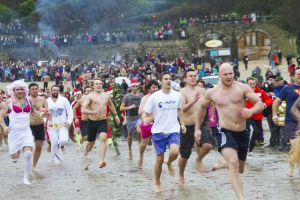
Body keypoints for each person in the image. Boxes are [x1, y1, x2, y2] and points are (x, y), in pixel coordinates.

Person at [194, 63, 264, 200]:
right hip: (224, 130)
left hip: (242, 131)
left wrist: (251, 111)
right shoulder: (212, 92)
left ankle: (223, 162)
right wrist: (197, 128)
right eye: (225, 74)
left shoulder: (242, 88)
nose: (228, 76)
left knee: (241, 169)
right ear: (219, 75)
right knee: (233, 162)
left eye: (230, 73)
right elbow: (201, 107)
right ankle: (240, 197)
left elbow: (259, 103)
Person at [143, 72, 186, 193]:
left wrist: (182, 124)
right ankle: (157, 182)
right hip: (158, 131)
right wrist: (145, 120)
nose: (168, 80)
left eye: (170, 78)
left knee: (175, 151)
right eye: (165, 79)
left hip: (173, 129)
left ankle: (170, 163)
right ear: (161, 81)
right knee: (159, 159)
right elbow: (145, 112)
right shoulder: (154, 97)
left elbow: (180, 111)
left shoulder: (177, 95)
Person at [178, 69, 212, 187]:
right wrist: (192, 101)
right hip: (187, 126)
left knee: (208, 146)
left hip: (201, 124)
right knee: (184, 156)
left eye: (194, 76)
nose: (193, 78)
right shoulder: (182, 92)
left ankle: (199, 159)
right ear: (185, 79)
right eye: (190, 76)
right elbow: (182, 109)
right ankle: (181, 174)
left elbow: (207, 105)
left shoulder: (202, 90)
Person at [0, 80, 35, 185]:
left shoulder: (28, 101)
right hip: (14, 133)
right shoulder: (8, 103)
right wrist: (4, 126)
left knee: (28, 153)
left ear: (24, 90)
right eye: (17, 89)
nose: (20, 91)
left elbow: (34, 112)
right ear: (13, 91)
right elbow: (1, 116)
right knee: (14, 158)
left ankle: (26, 178)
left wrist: (44, 113)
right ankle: (17, 151)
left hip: (26, 131)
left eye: (21, 89)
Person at [81, 78, 120, 168]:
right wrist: (93, 112)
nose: (99, 85)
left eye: (100, 84)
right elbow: (83, 109)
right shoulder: (90, 96)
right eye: (96, 84)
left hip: (102, 121)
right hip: (91, 122)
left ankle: (101, 161)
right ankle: (86, 153)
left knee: (103, 138)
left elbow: (111, 105)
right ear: (93, 86)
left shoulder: (106, 95)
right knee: (91, 143)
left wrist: (116, 115)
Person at [272, 68, 300, 147]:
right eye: (298, 74)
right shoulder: (287, 89)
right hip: (291, 121)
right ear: (293, 77)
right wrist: (274, 115)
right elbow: (276, 102)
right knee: (295, 145)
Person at [47, 85, 73, 165]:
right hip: (51, 126)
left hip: (63, 125)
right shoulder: (47, 101)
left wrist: (69, 122)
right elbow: (44, 113)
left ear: (59, 91)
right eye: (54, 90)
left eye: (57, 90)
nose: (55, 92)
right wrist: (45, 122)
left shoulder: (64, 100)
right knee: (54, 143)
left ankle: (61, 146)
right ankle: (56, 159)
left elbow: (70, 112)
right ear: (51, 91)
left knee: (63, 140)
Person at [137, 80, 159, 168]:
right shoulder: (145, 98)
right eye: (153, 87)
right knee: (143, 144)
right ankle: (141, 156)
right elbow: (140, 112)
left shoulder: (161, 97)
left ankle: (159, 159)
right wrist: (146, 120)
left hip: (158, 123)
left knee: (159, 141)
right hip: (147, 123)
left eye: (157, 87)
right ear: (149, 89)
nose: (156, 89)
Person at [120, 79, 143, 160]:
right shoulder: (127, 96)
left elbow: (145, 104)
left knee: (140, 131)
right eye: (133, 86)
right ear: (131, 87)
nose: (135, 88)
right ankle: (130, 150)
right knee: (130, 136)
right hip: (130, 118)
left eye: (136, 86)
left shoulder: (141, 95)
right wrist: (129, 107)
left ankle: (141, 151)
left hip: (139, 117)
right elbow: (121, 108)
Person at [28, 83, 49, 171]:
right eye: (33, 89)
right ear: (29, 90)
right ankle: (27, 162)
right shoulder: (26, 100)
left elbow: (48, 112)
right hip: (29, 125)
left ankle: (34, 165)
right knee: (30, 145)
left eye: (36, 89)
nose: (35, 90)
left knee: (39, 146)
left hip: (40, 125)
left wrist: (45, 114)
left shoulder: (42, 99)